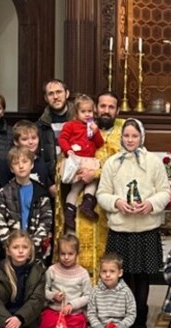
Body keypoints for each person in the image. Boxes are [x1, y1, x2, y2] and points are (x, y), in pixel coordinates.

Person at [96, 118, 171, 328]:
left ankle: (139, 321)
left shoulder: (153, 162)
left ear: (142, 137)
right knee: (123, 277)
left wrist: (150, 204)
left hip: (146, 228)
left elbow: (165, 191)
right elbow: (102, 194)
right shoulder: (112, 163)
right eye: (126, 136)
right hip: (121, 228)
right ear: (122, 137)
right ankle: (123, 320)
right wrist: (117, 202)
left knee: (143, 276)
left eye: (134, 136)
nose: (130, 140)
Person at [53, 91, 125, 281]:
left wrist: (96, 173)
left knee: (106, 254)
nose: (106, 111)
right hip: (76, 202)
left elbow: (124, 167)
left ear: (117, 110)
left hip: (105, 204)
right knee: (75, 247)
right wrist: (73, 169)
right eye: (102, 106)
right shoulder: (77, 128)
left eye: (111, 107)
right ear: (95, 108)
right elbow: (63, 158)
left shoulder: (123, 132)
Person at [0, 147, 53, 260]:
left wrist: (33, 246)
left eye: (25, 162)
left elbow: (46, 221)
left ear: (31, 165)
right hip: (11, 252)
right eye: (16, 163)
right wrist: (11, 245)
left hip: (35, 251)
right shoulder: (4, 193)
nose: (21, 166)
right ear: (11, 169)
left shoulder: (41, 192)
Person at [58, 94, 105, 230]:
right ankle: (69, 214)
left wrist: (96, 132)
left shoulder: (93, 126)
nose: (87, 114)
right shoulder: (70, 125)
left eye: (89, 111)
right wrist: (68, 150)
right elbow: (62, 139)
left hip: (89, 161)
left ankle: (87, 203)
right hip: (76, 160)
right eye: (83, 112)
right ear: (76, 112)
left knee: (93, 180)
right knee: (75, 188)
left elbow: (99, 144)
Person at [37, 234, 91, 328]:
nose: (66, 257)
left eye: (70, 254)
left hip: (73, 316)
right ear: (58, 253)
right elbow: (43, 290)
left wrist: (72, 304)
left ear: (77, 253)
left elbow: (88, 296)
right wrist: (52, 295)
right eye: (62, 254)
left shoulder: (83, 273)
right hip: (54, 313)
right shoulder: (52, 270)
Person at [86, 253, 137, 328]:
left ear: (120, 273)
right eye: (104, 271)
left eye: (112, 271)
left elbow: (131, 314)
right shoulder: (95, 291)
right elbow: (91, 313)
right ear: (100, 273)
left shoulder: (126, 292)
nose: (107, 275)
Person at [37, 79, 74, 183]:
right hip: (52, 182)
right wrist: (49, 184)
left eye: (59, 92)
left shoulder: (80, 121)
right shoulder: (40, 126)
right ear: (46, 98)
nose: (55, 97)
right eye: (51, 94)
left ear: (67, 94)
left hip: (77, 180)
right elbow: (38, 159)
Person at [13, 120, 54, 192]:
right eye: (25, 139)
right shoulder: (12, 162)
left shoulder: (41, 161)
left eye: (34, 138)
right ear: (16, 142)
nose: (31, 142)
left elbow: (46, 186)